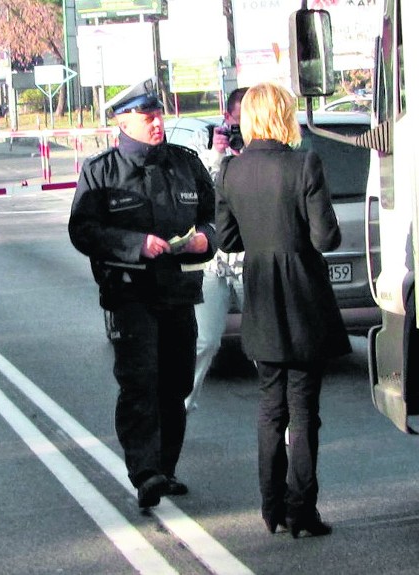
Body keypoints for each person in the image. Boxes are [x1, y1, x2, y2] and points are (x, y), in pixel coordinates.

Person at [68, 78, 216, 509]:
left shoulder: (186, 164)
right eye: (148, 117)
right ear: (123, 121)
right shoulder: (102, 171)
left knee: (175, 383)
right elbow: (83, 231)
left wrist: (205, 239)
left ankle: (166, 468)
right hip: (130, 294)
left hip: (179, 291)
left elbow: (213, 217)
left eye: (159, 114)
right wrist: (135, 245)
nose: (157, 123)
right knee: (140, 383)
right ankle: (145, 472)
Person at [215, 82, 351, 538]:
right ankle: (301, 511)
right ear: (284, 115)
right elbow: (325, 238)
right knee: (304, 409)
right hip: (304, 300)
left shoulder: (231, 172)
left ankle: (271, 506)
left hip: (261, 299)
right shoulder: (303, 163)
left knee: (270, 408)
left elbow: (227, 239)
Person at [185, 87, 248, 412]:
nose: (242, 129)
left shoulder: (265, 149)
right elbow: (202, 197)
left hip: (250, 259)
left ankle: (281, 407)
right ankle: (179, 407)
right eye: (238, 121)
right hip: (215, 260)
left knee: (264, 340)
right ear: (227, 119)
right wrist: (217, 154)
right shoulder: (206, 144)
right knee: (205, 340)